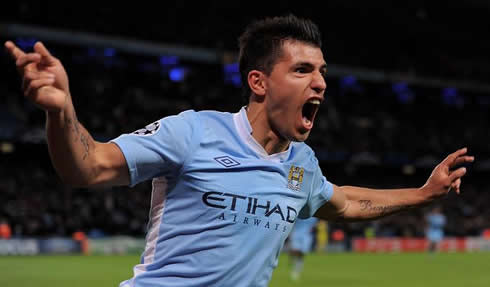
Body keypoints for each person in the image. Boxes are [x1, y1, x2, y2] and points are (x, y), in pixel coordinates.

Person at [5, 14, 474, 287]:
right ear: (259, 83)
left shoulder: (301, 165)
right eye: (304, 70)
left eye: (323, 72)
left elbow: (346, 202)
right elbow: (89, 167)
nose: (321, 83)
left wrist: (423, 194)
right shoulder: (193, 132)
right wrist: (61, 111)